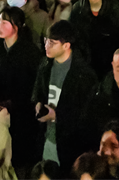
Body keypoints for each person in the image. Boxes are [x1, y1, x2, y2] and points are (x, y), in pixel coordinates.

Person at [34, 20, 99, 167]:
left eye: (52, 43)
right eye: (46, 40)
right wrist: (38, 104)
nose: (46, 46)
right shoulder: (45, 65)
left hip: (69, 145)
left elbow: (87, 114)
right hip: (46, 138)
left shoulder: (84, 75)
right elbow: (38, 92)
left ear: (66, 45)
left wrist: (57, 116)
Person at [0, 7, 42, 167]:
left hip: (22, 112)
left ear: (16, 27)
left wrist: (16, 102)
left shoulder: (30, 52)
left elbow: (34, 83)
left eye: (5, 22)